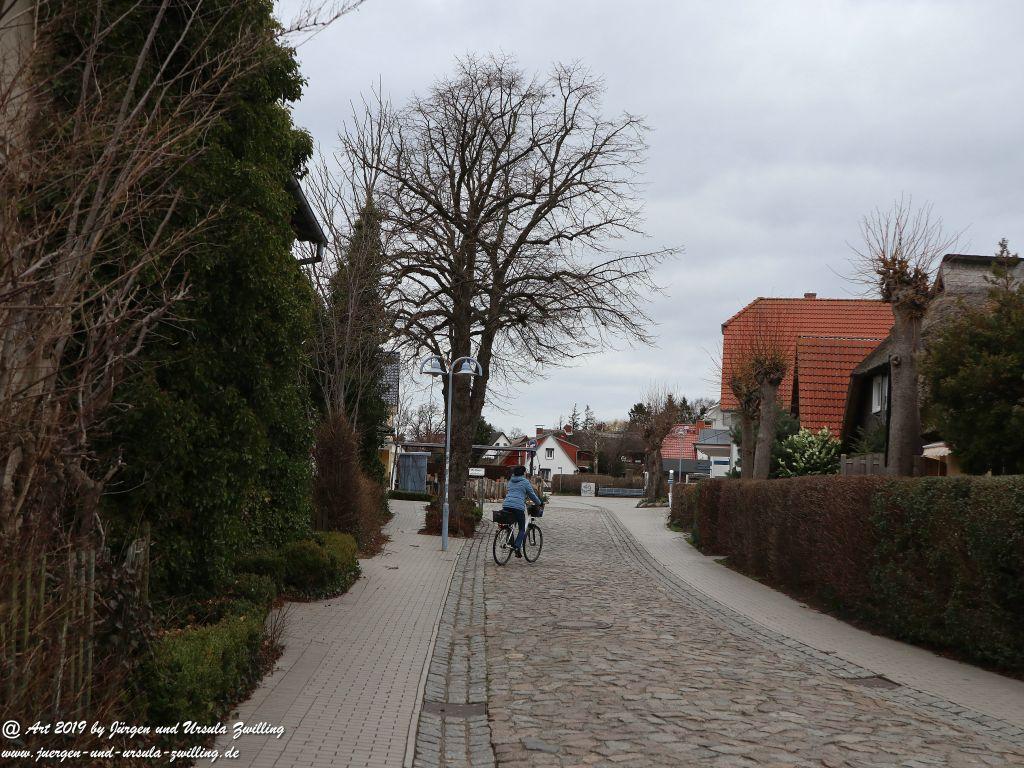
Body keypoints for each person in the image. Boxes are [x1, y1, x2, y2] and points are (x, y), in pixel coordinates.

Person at [501, 465, 544, 557]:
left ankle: (510, 541)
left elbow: (509, 492)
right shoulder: (525, 482)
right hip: (518, 507)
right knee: (522, 529)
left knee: (510, 524)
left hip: (506, 505)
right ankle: (516, 547)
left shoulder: (510, 481)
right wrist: (539, 503)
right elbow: (532, 494)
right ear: (523, 473)